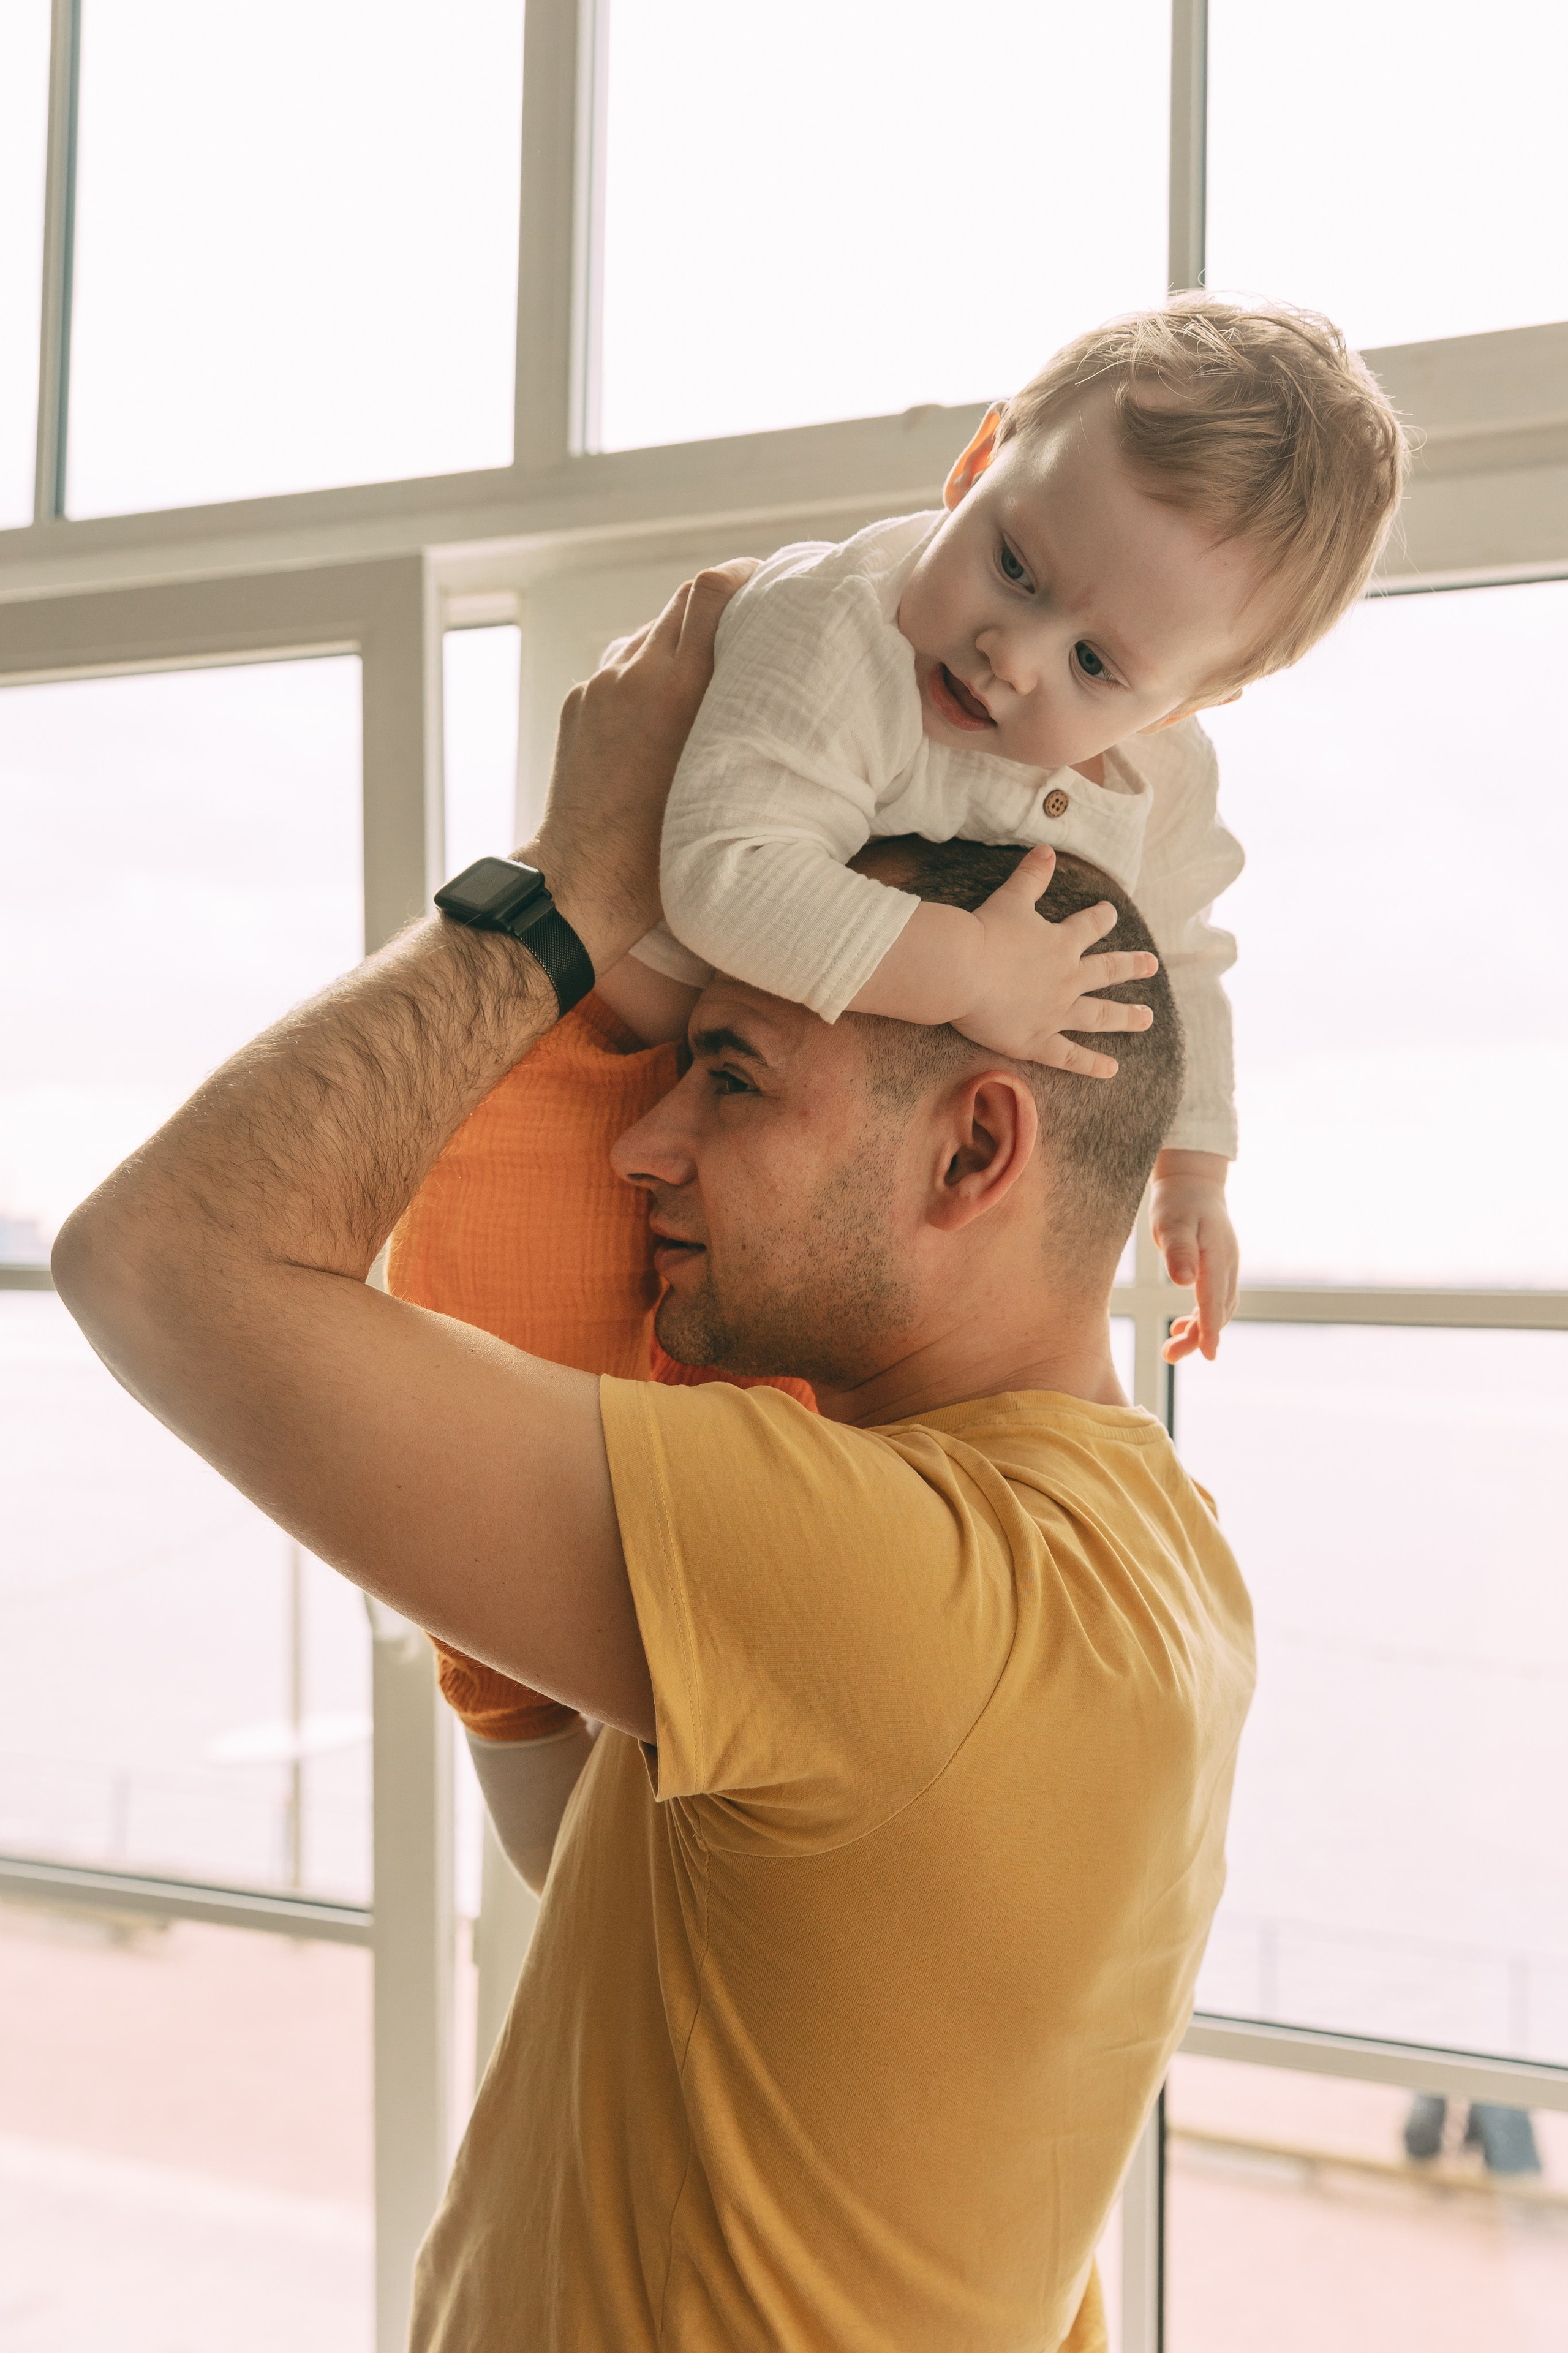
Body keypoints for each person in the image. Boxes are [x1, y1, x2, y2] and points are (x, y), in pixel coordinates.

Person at [51, 572, 1255, 2352]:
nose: (644, 1144)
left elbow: (157, 1259)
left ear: (973, 1150)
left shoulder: (885, 1576)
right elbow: (699, 1933)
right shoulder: (1165, 1551)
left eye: (734, 1079)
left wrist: (575, 880)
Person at [581, 296, 1408, 1364]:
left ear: (1181, 707)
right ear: (978, 462)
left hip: (800, 1177)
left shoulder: (1162, 774)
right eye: (1014, 566)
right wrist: (973, 971)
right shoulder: (833, 628)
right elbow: (728, 877)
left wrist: (1194, 1170)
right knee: (527, 1356)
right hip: (601, 1052)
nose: (1009, 655)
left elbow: (1173, 963)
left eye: (1094, 664)